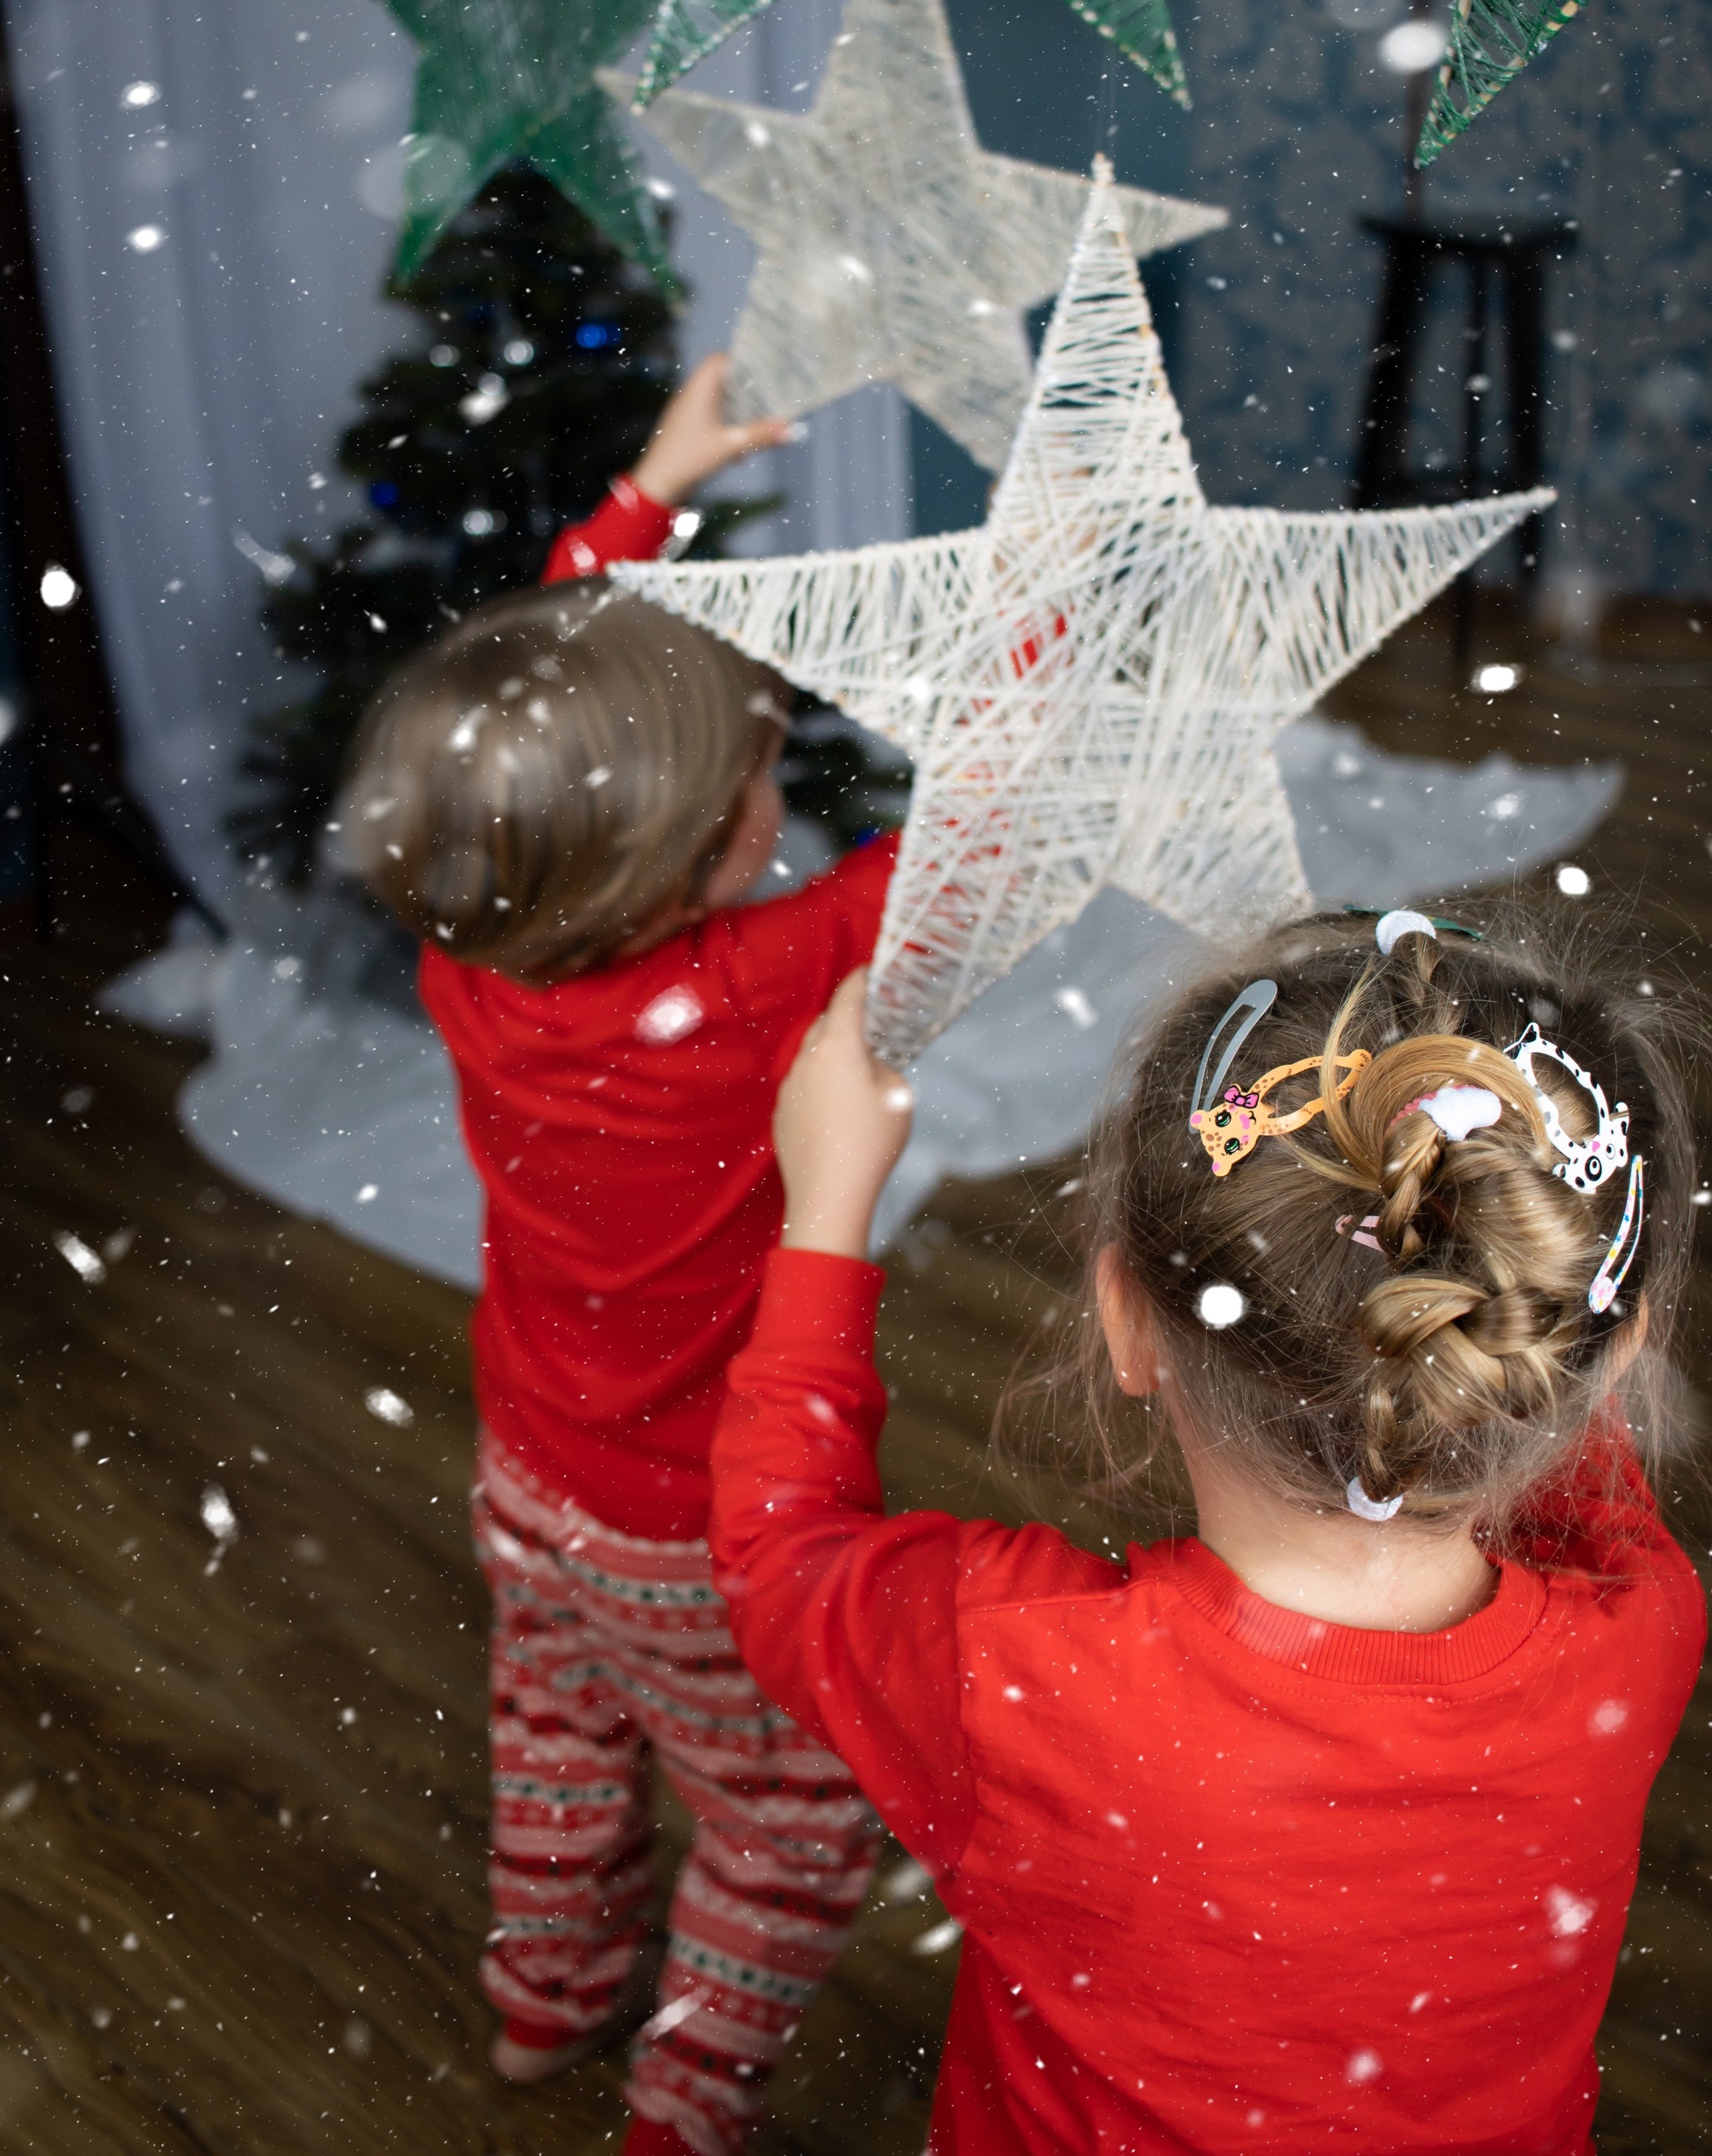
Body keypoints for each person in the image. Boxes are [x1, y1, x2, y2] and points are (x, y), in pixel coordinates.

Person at [708, 908, 1705, 2155]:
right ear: (1614, 1355)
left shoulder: (1017, 1670)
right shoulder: (1642, 1622)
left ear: (1124, 1320)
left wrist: (827, 1209)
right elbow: (1545, 1377)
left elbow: (777, 1552)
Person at [344, 357, 897, 2156]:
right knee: (794, 1822)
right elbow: (972, 846)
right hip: (701, 1525)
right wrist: (1059, 652)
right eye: (752, 784)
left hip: (535, 1473)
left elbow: (532, 705)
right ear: (682, 863)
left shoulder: (475, 951)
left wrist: (646, 496)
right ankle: (687, 2093)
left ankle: (546, 2001)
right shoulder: (744, 991)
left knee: (564, 1742)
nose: (774, 792)